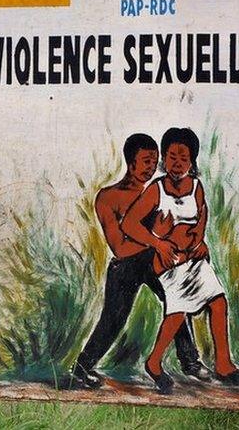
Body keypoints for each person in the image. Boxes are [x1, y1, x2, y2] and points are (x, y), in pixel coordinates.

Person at [121, 127, 239, 394]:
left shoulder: (196, 187)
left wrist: (200, 240)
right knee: (177, 313)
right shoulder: (156, 190)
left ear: (192, 161)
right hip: (170, 264)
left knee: (218, 302)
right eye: (171, 156)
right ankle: (154, 362)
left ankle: (224, 364)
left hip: (193, 259)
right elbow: (129, 224)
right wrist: (157, 243)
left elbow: (201, 214)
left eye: (183, 157)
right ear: (164, 159)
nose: (177, 162)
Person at [71, 134, 209, 389]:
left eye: (155, 161)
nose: (151, 167)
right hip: (125, 266)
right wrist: (156, 238)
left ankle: (190, 361)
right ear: (130, 163)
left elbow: (180, 229)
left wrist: (190, 241)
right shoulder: (108, 197)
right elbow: (120, 247)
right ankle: (82, 367)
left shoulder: (159, 190)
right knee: (113, 319)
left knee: (177, 298)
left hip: (155, 259)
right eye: (145, 161)